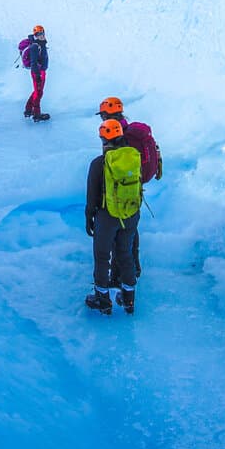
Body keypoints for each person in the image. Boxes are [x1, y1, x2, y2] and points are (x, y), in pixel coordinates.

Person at [96, 96, 163, 286]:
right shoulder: (132, 131)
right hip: (135, 186)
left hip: (122, 188)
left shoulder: (118, 134)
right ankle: (133, 269)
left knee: (121, 233)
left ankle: (120, 276)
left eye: (103, 115)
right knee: (130, 228)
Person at [84, 119, 141, 314]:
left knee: (102, 256)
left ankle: (102, 298)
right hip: (131, 214)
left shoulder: (99, 163)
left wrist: (89, 218)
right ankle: (129, 298)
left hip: (107, 217)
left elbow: (92, 197)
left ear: (103, 139)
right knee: (125, 254)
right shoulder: (133, 157)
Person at [22, 25, 49, 122]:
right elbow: (33, 62)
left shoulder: (41, 44)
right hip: (38, 72)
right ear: (35, 35)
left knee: (37, 91)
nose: (40, 35)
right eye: (38, 34)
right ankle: (37, 114)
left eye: (41, 33)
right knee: (38, 93)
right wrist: (37, 75)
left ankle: (28, 110)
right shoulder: (35, 46)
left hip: (41, 71)